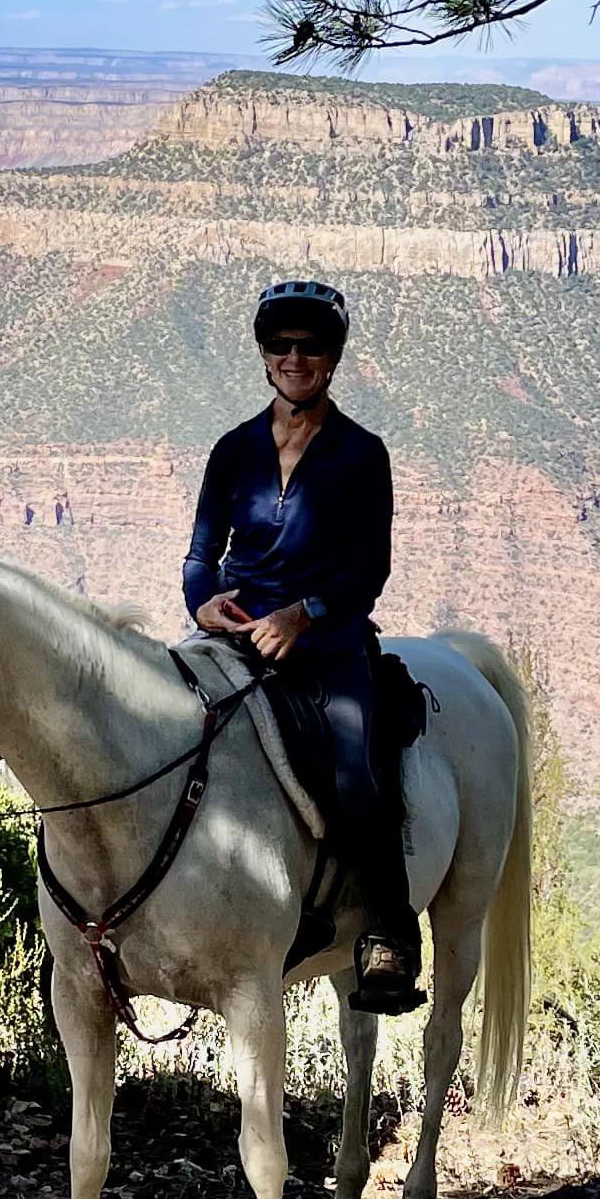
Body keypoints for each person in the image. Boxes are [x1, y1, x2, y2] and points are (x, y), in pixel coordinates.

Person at [182, 278, 422, 1015]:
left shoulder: (361, 455)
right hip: (235, 634)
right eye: (281, 344)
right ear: (263, 354)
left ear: (333, 357)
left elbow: (368, 572)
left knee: (352, 769)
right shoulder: (233, 451)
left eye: (310, 345)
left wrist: (304, 614)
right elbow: (199, 555)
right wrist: (202, 601)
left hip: (326, 645)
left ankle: (390, 933)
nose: (294, 357)